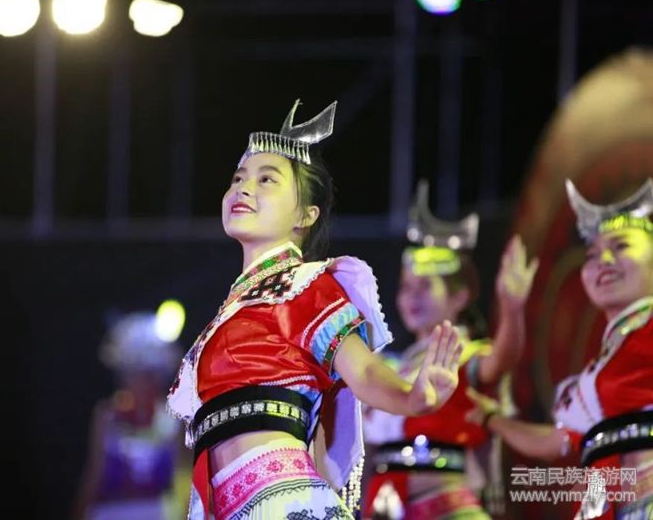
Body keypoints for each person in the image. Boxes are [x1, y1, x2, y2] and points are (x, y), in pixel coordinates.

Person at [166, 99, 464, 520]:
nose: (243, 188)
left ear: (306, 215)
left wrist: (412, 396)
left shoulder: (306, 286)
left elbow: (364, 371)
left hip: (281, 501)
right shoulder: (229, 312)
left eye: (267, 179)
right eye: (238, 178)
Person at [467, 179, 653, 519]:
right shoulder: (599, 370)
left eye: (621, 246)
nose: (603, 260)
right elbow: (555, 442)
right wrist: (490, 418)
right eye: (592, 255)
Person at [361, 181, 538, 519]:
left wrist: (512, 309)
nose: (412, 297)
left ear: (459, 296)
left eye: (425, 286)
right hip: (384, 507)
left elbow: (501, 360)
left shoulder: (467, 356)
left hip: (445, 507)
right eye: (406, 287)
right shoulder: (390, 366)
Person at [74, 311, 187, 520]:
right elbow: (94, 474)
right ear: (124, 376)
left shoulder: (172, 418)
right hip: (111, 513)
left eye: (149, 374)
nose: (142, 382)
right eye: (135, 374)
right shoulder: (107, 416)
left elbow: (182, 475)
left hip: (159, 513)